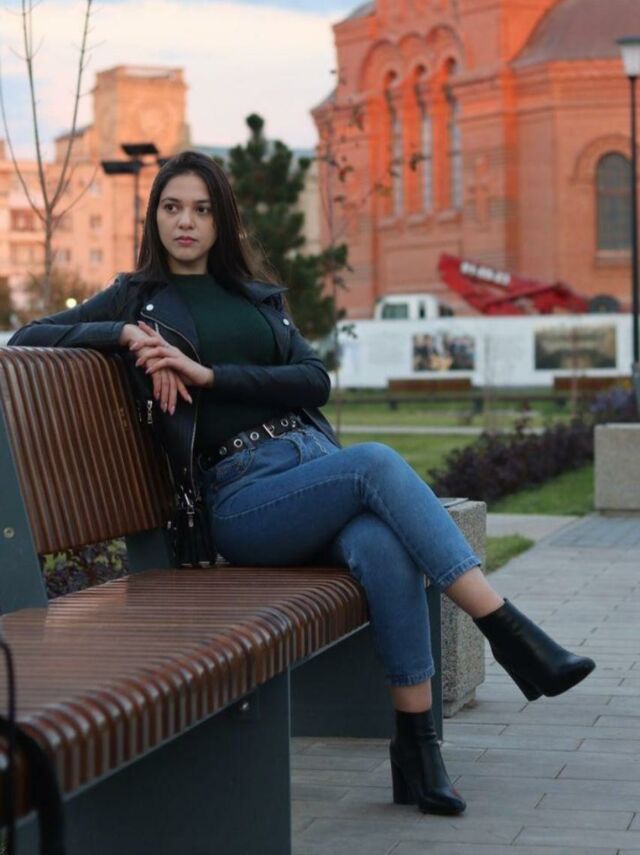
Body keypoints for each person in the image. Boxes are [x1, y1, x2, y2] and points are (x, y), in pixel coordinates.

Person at [9, 150, 595, 817]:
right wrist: (121, 333)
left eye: (201, 209)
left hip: (310, 466)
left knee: (384, 548)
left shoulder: (256, 296)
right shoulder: (137, 298)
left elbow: (315, 381)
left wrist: (208, 376)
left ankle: (418, 749)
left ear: (222, 221)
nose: (185, 222)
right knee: (374, 462)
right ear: (155, 216)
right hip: (242, 496)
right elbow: (27, 336)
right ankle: (507, 630)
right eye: (172, 208)